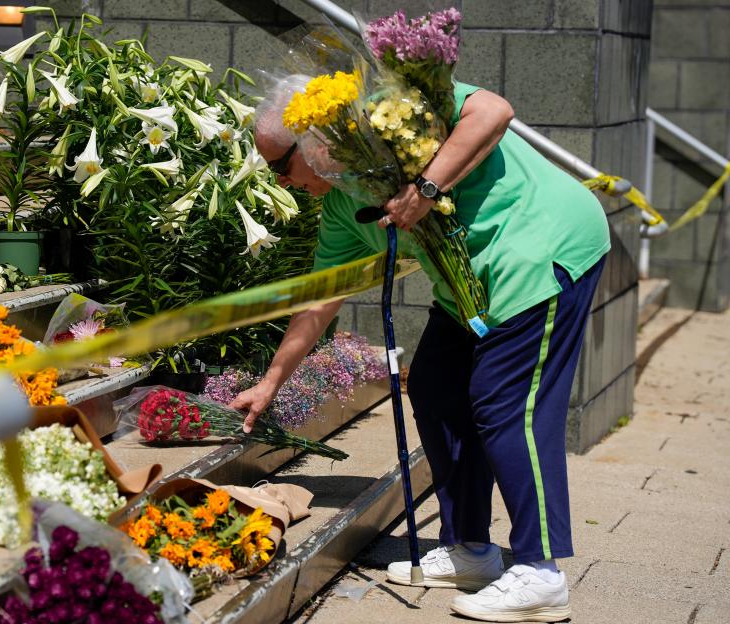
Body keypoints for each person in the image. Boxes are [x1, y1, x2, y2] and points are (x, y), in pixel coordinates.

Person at [232, 77, 610, 623]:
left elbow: (493, 110)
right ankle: (470, 550)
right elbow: (321, 299)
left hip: (541, 251)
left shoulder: (394, 110)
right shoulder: (342, 205)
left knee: (508, 408)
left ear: (313, 141)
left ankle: (541, 572)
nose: (281, 181)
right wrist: (271, 381)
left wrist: (425, 189)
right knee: (434, 387)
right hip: (471, 289)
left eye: (279, 166)